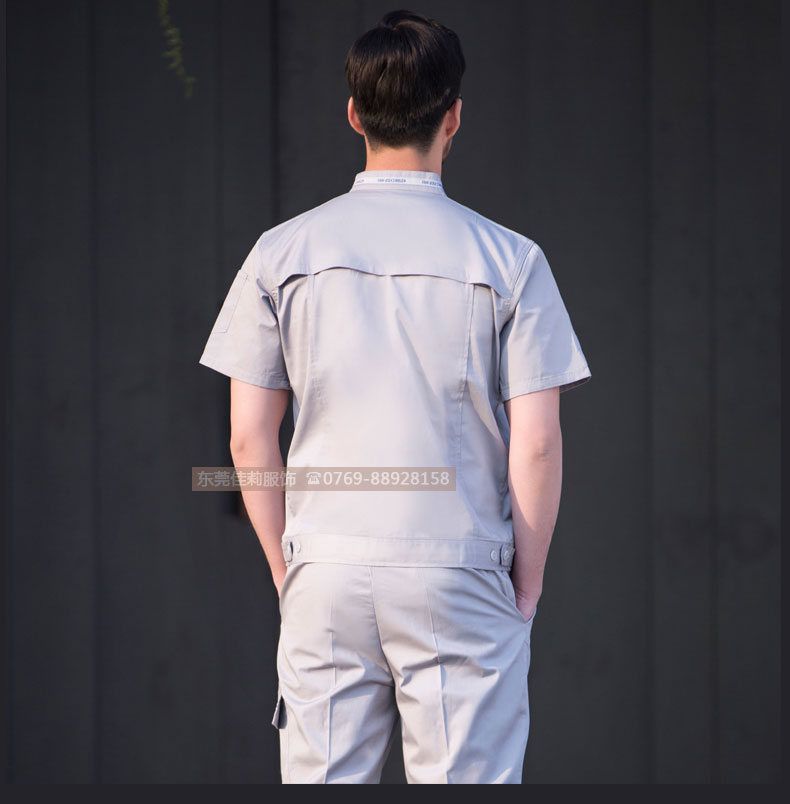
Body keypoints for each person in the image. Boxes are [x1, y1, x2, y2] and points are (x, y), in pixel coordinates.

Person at [198, 8, 591, 784]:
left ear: (354, 115)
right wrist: (528, 583)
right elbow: (538, 443)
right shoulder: (511, 261)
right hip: (460, 566)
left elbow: (248, 439)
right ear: (454, 117)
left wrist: (289, 569)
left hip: (325, 567)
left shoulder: (279, 254)